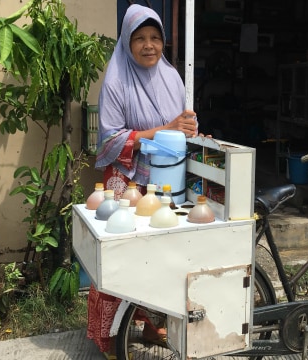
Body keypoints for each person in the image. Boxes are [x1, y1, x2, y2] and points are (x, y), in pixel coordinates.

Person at [87, 4, 197, 354]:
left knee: (163, 257)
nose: (149, 46)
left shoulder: (173, 77)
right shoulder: (116, 80)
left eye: (155, 38)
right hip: (128, 185)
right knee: (120, 257)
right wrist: (163, 130)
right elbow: (108, 140)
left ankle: (150, 325)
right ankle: (107, 338)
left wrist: (192, 130)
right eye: (140, 39)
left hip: (168, 181)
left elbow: (183, 127)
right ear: (127, 42)